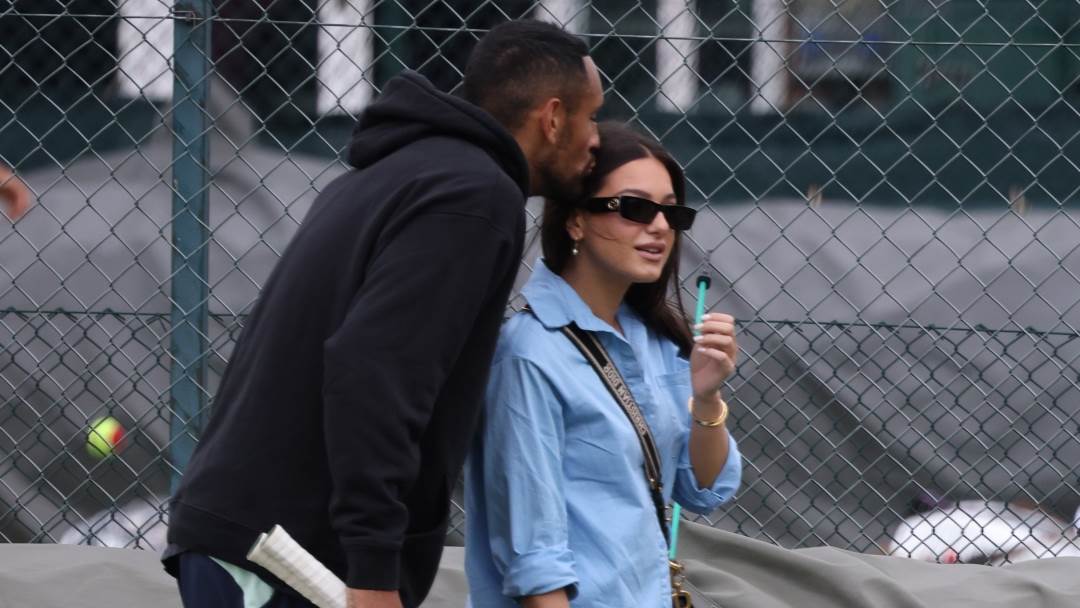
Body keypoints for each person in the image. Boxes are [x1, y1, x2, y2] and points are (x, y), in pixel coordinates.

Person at [164, 19, 602, 608]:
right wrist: (373, 570)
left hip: (257, 540)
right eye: (591, 117)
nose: (596, 138)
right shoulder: (473, 197)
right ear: (552, 118)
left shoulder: (394, 174)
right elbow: (375, 370)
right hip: (294, 561)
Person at [464, 122, 742, 607]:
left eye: (671, 211)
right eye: (635, 208)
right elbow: (534, 559)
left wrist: (706, 397)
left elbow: (701, 489)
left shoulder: (650, 339)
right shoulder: (530, 353)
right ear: (576, 221)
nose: (660, 227)